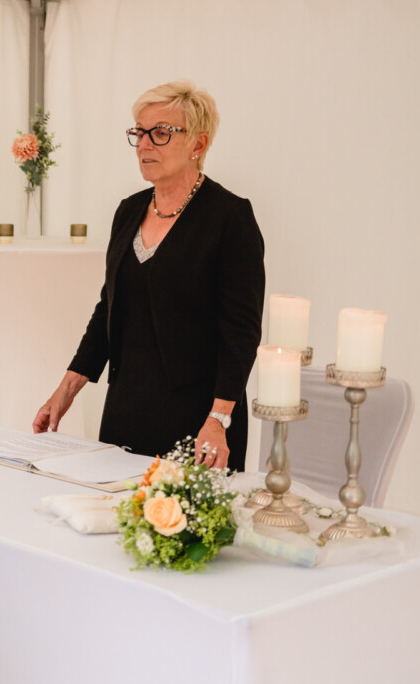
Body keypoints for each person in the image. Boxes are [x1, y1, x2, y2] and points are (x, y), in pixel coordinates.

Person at [33, 80, 265, 472]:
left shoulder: (230, 219)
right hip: (125, 409)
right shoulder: (128, 211)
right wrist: (65, 391)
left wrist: (219, 419)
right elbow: (109, 309)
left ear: (198, 144)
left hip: (198, 422)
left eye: (160, 133)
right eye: (139, 133)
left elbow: (241, 334)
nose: (144, 145)